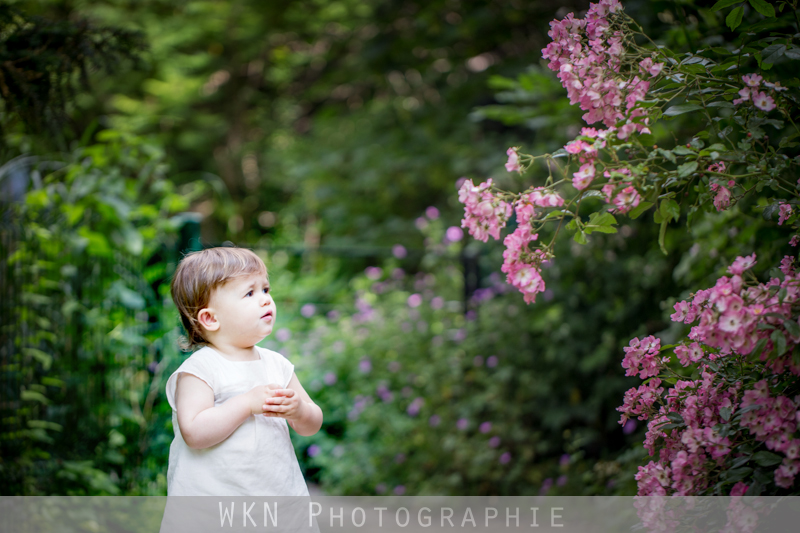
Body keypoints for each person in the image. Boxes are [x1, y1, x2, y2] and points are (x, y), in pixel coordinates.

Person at [165, 246, 322, 496]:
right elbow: (194, 432)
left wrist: (300, 411)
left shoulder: (276, 364)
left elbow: (312, 424)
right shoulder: (201, 369)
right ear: (210, 319)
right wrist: (247, 404)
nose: (265, 299)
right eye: (250, 293)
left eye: (265, 289)